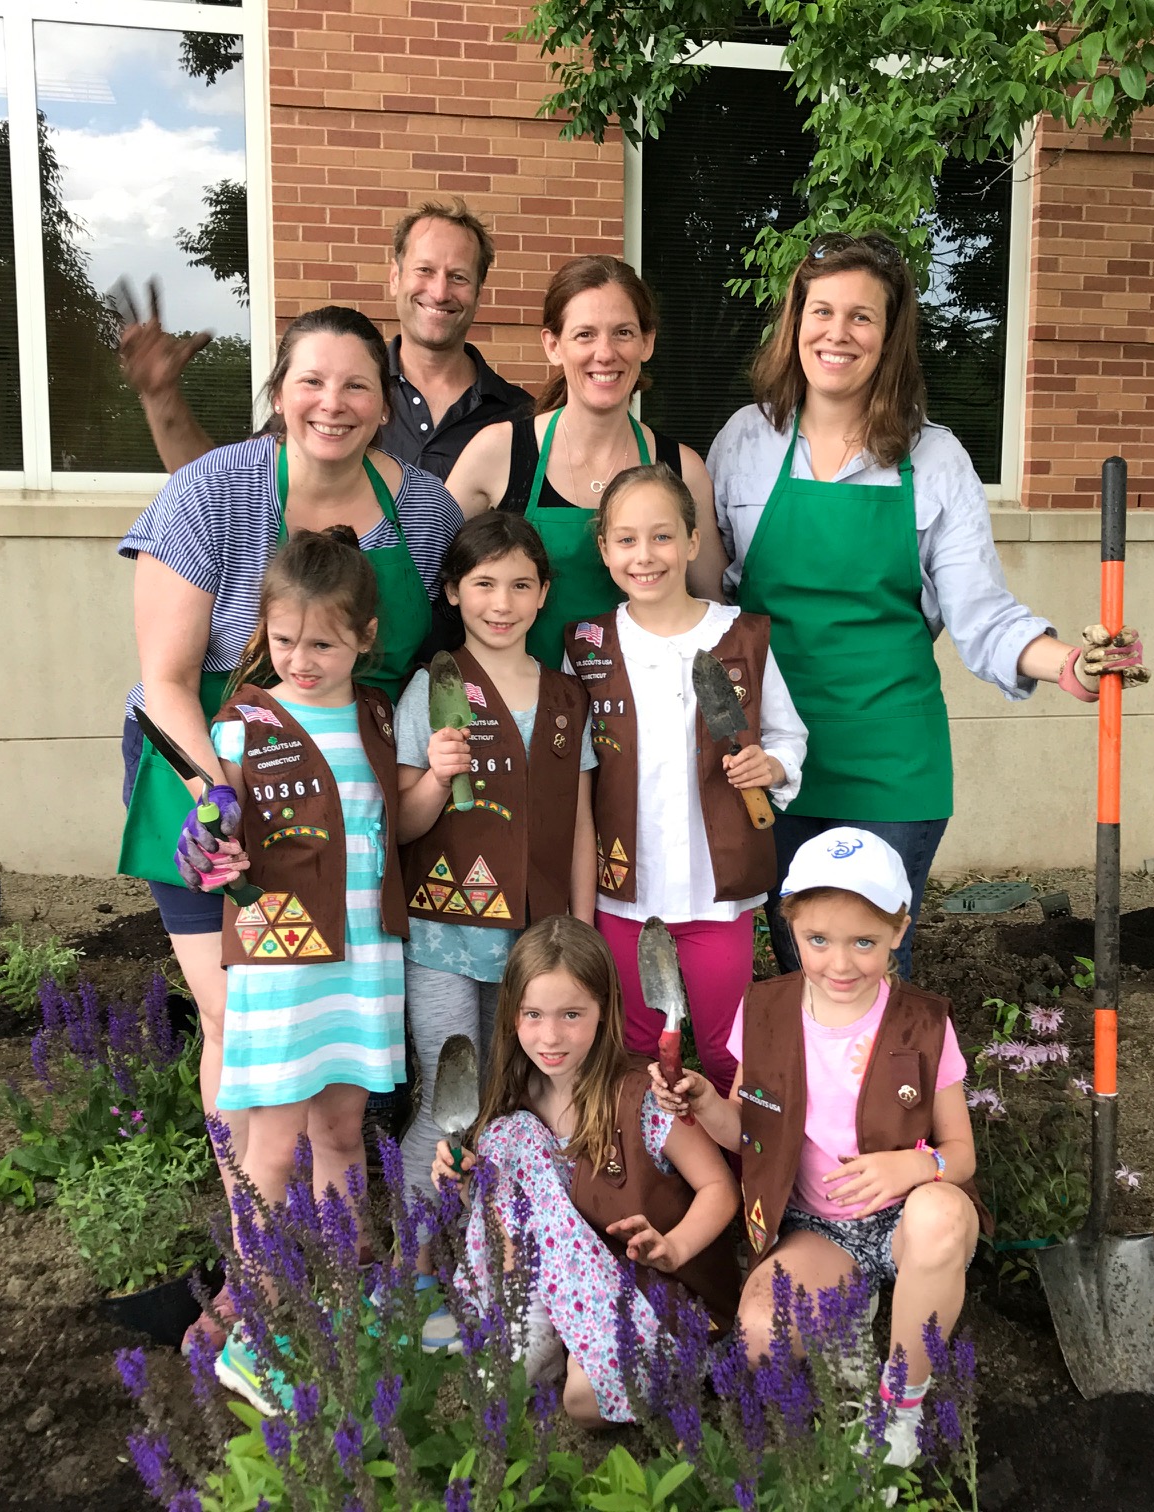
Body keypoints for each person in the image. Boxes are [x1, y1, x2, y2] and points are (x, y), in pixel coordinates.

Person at [705, 233, 1149, 976]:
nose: (837, 334)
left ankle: (890, 1095)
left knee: (866, 971)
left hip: (889, 760)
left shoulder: (933, 458)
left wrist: (1071, 664)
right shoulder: (745, 442)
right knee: (798, 961)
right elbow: (710, 603)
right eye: (822, 312)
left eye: (861, 317)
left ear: (890, 335)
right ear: (795, 322)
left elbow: (982, 612)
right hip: (773, 753)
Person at [115, 307, 453, 1266]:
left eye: (356, 385)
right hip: (206, 778)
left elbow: (434, 655)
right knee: (238, 1021)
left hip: (349, 790)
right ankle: (257, 1256)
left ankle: (326, 1251)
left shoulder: (425, 513)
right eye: (311, 381)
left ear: (387, 403)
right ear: (277, 393)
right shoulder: (211, 493)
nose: (332, 404)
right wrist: (224, 800)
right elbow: (168, 681)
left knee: (329, 1045)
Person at [651, 826, 983, 1468]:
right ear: (790, 925)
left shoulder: (924, 1021)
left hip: (911, 1219)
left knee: (937, 1219)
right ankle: (856, 1302)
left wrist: (915, 1166)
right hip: (818, 1227)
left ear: (899, 929)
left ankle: (901, 1406)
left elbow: (961, 1154)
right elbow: (748, 1132)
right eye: (818, 940)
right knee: (757, 1343)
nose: (840, 963)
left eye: (864, 941)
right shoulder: (767, 1010)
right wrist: (703, 1104)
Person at [172, 526, 409, 1411]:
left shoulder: (380, 719)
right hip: (278, 961)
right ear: (261, 634)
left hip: (361, 960)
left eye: (323, 642)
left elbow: (398, 826)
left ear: (364, 637)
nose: (302, 660)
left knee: (342, 1133)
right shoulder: (241, 726)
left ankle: (344, 1299)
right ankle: (263, 1319)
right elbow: (201, 848)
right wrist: (211, 847)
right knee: (269, 1142)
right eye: (284, 641)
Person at [393, 510, 598, 1337]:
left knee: (511, 1105)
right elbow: (403, 825)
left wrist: (580, 936)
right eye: (483, 584)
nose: (502, 602)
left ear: (544, 594)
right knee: (450, 1098)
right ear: (453, 591)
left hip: (534, 950)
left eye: (520, 585)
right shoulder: (431, 690)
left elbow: (581, 822)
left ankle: (491, 1269)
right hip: (444, 937)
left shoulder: (565, 699)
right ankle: (414, 1272)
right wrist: (438, 779)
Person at [431, 915, 739, 1427]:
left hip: (651, 1285)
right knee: (494, 1382)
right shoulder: (513, 1105)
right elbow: (507, 1213)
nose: (550, 1036)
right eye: (533, 1015)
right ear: (512, 1017)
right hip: (560, 1282)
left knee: (584, 1402)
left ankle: (581, 1353)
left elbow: (720, 1188)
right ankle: (549, 1329)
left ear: (603, 1012)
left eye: (571, 1014)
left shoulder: (642, 1094)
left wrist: (675, 1247)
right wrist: (468, 1185)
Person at [561, 464, 805, 1094]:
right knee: (630, 1050)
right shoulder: (588, 646)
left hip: (716, 891)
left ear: (694, 543)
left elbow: (786, 735)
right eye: (627, 540)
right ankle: (649, 1182)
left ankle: (743, 1176)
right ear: (605, 551)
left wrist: (771, 766)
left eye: (663, 537)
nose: (646, 556)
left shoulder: (741, 636)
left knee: (729, 1052)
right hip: (624, 893)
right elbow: (574, 777)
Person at [446, 256, 726, 666]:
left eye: (623, 333)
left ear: (647, 342)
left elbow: (713, 610)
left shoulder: (681, 469)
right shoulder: (499, 452)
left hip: (645, 719)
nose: (605, 352)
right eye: (584, 335)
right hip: (523, 716)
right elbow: (437, 582)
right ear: (553, 345)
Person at [116, 200, 531, 476]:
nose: (439, 292)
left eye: (458, 277)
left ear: (479, 291)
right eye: (424, 270)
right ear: (394, 277)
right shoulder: (332, 399)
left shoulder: (522, 418)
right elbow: (219, 487)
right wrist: (161, 396)